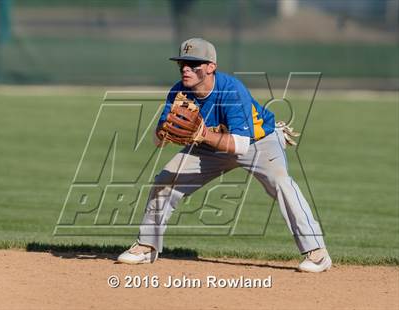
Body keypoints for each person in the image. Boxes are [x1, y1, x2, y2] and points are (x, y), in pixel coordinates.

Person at [118, 38, 332, 272]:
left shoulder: (231, 89)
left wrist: (201, 134)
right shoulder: (179, 92)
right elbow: (158, 141)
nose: (186, 69)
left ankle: (317, 252)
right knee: (165, 181)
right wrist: (163, 131)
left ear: (211, 66)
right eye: (182, 64)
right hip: (209, 147)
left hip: (258, 142)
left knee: (281, 183)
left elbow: (240, 145)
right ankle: (147, 246)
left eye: (194, 64)